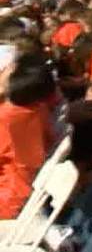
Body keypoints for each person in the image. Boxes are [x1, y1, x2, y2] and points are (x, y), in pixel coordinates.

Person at [0, 55, 52, 218]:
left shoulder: (7, 119)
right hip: (22, 191)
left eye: (6, 69)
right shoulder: (37, 109)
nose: (2, 71)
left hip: (8, 199)